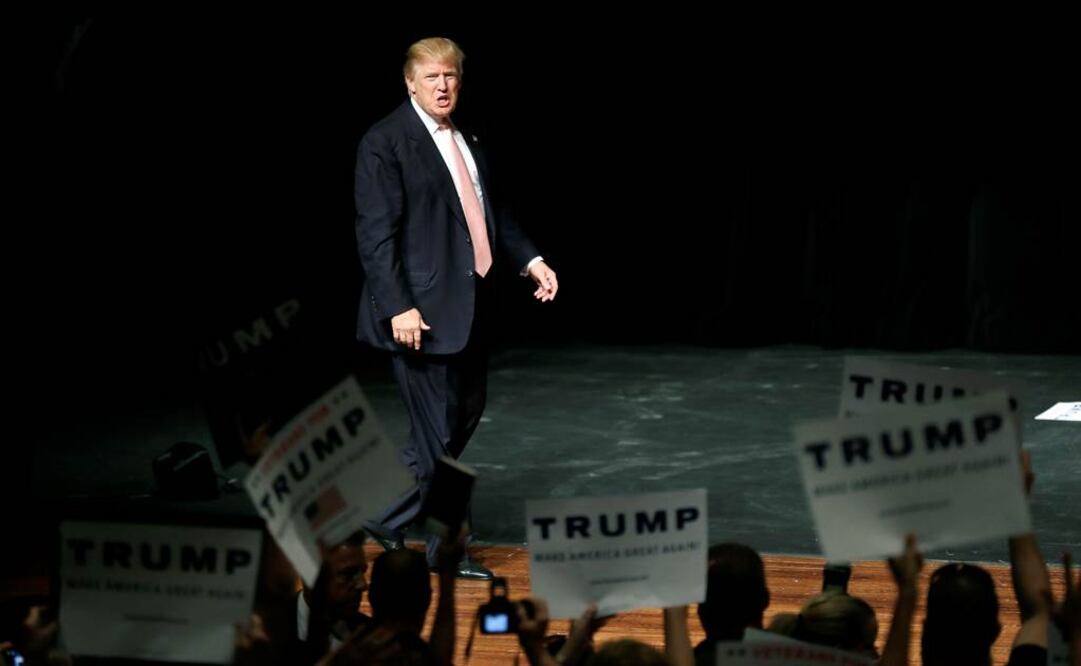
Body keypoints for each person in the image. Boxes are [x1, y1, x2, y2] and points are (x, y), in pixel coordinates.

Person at [353, 35, 559, 579]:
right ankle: (448, 553)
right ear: (409, 82)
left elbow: (491, 210)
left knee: (459, 419)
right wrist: (397, 306)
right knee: (440, 443)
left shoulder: (468, 135)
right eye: (431, 77)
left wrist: (530, 259)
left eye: (450, 77)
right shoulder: (386, 141)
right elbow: (375, 236)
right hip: (418, 315)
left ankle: (381, 516)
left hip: (468, 309)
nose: (443, 87)